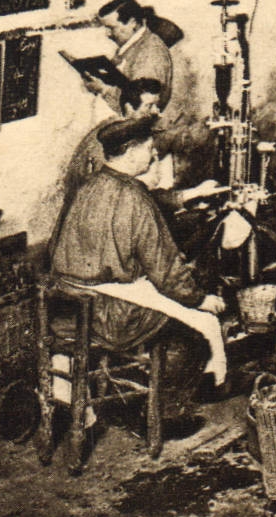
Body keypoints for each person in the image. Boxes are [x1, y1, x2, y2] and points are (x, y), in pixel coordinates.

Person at [49, 116, 227, 430]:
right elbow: (166, 270)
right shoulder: (135, 197)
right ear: (130, 152)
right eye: (149, 149)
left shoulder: (87, 187)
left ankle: (76, 396)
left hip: (70, 304)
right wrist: (200, 299)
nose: (154, 155)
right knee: (193, 336)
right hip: (111, 315)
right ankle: (163, 418)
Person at [90, 0, 175, 116]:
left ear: (132, 23)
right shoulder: (132, 45)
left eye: (111, 28)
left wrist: (103, 89)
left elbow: (139, 106)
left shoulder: (150, 52)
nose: (107, 34)